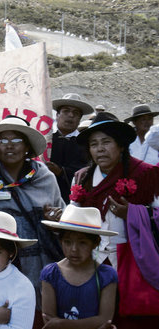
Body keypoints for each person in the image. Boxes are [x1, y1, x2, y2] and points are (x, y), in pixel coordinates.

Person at [69, 112, 159, 328]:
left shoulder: (147, 174)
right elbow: (72, 215)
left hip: (134, 259)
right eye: (93, 144)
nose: (99, 149)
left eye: (106, 142)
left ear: (120, 145)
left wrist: (134, 213)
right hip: (92, 259)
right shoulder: (82, 177)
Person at [0, 115, 65, 327]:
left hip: (40, 265)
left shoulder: (45, 177)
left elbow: (64, 221)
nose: (9, 146)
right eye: (2, 140)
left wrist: (57, 220)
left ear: (27, 146)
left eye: (16, 140)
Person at [40, 205, 118, 329]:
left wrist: (61, 323)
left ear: (95, 243)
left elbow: (105, 319)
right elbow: (49, 320)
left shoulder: (106, 275)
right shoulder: (51, 274)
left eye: (82, 243)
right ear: (61, 241)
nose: (74, 249)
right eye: (68, 242)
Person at [47, 93, 94, 203]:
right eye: (66, 111)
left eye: (75, 113)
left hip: (71, 199)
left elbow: (86, 171)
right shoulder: (45, 139)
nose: (71, 115)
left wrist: (61, 172)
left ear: (79, 119)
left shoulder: (85, 143)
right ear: (57, 115)